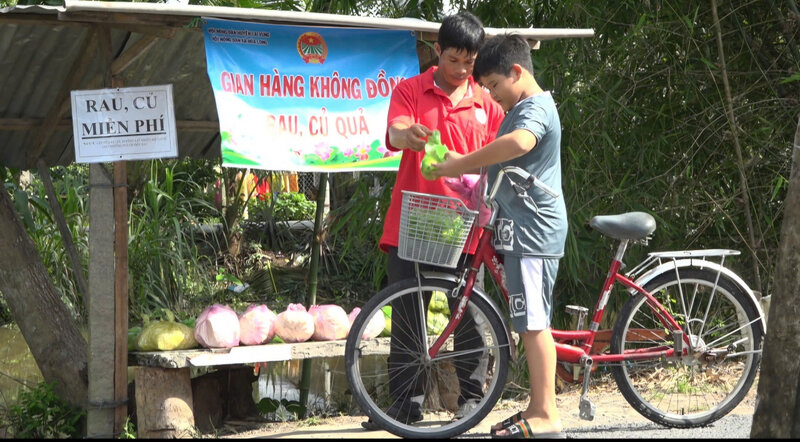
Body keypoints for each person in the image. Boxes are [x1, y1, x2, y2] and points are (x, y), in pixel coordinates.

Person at [363, 10, 505, 431]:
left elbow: (501, 155)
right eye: (454, 60)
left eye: (470, 62)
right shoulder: (410, 90)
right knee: (408, 315)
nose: (462, 70)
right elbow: (395, 131)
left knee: (470, 315)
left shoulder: (487, 102)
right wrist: (409, 135)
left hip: (467, 227)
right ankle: (403, 408)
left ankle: (472, 401)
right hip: (414, 224)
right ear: (437, 51)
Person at [432, 33, 568, 439]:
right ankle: (536, 405)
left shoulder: (536, 109)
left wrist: (461, 162)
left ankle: (547, 415)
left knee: (534, 323)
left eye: (493, 86)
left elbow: (519, 143)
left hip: (533, 233)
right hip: (520, 229)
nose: (492, 97)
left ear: (517, 72)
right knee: (527, 319)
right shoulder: (522, 107)